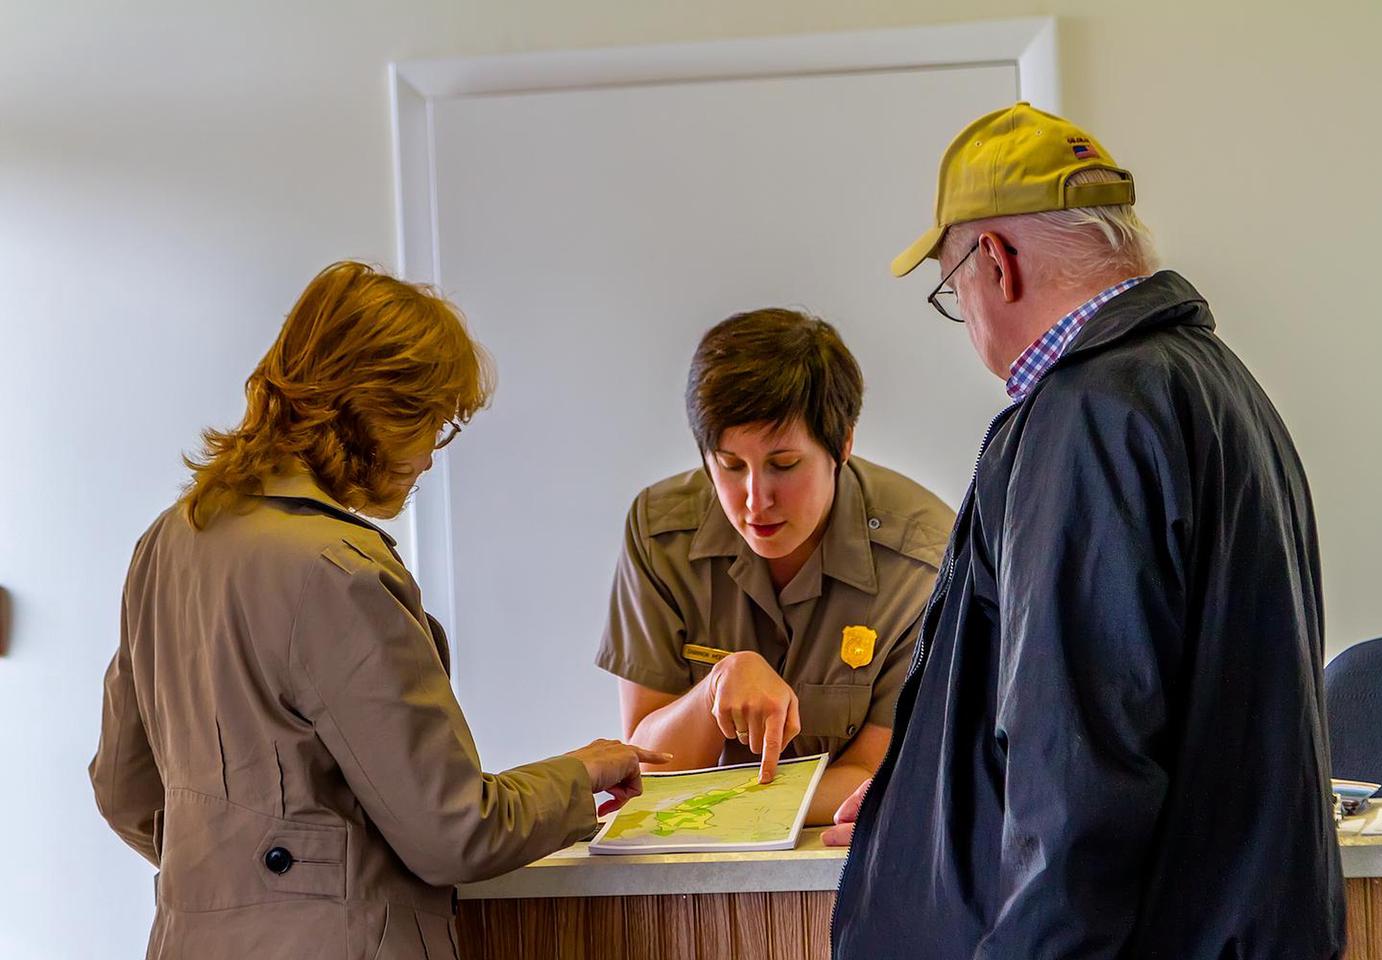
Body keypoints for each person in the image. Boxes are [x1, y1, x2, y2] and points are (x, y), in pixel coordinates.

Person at [830, 103, 1346, 958]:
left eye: (949, 288)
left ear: (993, 260)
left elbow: (1079, 762)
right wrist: (927, 800)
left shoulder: (1088, 416)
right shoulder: (1212, 385)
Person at [89, 261, 665, 960]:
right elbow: (454, 833)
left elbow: (123, 790)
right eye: (433, 422)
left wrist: (246, 873)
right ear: (376, 407)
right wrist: (583, 772)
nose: (428, 457)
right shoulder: (338, 568)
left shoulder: (169, 540)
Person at [595, 308, 954, 829]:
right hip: (690, 869)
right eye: (730, 465)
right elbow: (646, 763)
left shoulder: (924, 559)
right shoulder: (659, 533)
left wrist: (726, 805)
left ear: (843, 444)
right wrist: (714, 690)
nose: (754, 500)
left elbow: (875, 774)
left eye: (784, 465)